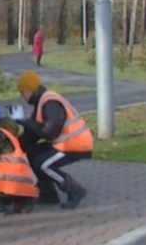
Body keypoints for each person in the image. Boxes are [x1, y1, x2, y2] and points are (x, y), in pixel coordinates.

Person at [12, 70, 92, 209]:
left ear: (29, 89)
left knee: (44, 165)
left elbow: (49, 131)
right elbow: (34, 135)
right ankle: (48, 194)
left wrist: (26, 122)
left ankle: (75, 190)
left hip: (75, 144)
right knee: (32, 153)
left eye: (22, 92)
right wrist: (15, 146)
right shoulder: (41, 103)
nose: (22, 96)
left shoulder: (50, 102)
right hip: (64, 143)